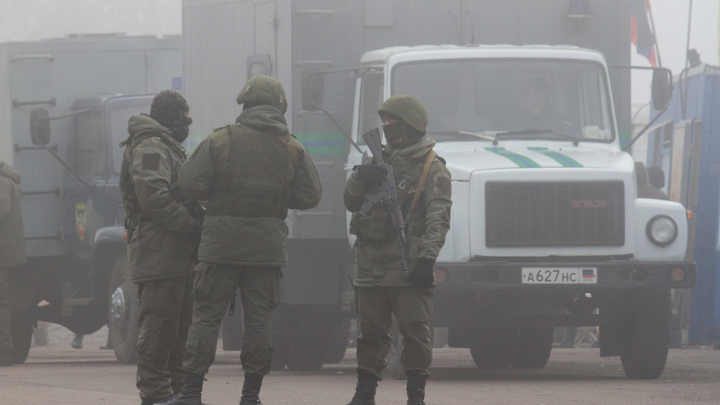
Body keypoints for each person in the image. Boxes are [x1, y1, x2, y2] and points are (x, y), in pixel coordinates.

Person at [167, 76, 322, 405]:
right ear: (279, 107)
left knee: (207, 317)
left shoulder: (221, 140)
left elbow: (190, 182)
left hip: (220, 246)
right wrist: (276, 198)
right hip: (266, 249)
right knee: (259, 321)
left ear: (246, 105)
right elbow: (311, 195)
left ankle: (191, 393)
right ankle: (250, 396)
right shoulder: (292, 146)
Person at [343, 95, 452, 405]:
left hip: (407, 265)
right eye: (384, 123)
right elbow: (351, 202)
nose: (386, 127)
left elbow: (438, 217)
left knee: (415, 334)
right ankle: (365, 394)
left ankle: (415, 395)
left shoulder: (433, 167)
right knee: (369, 336)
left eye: (392, 122)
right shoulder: (376, 161)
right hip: (370, 264)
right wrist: (359, 177)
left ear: (409, 126)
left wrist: (427, 258)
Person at [119, 90, 199, 405]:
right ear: (168, 117)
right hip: (158, 254)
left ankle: (177, 394)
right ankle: (155, 394)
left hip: (176, 255)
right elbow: (153, 197)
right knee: (158, 330)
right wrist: (192, 224)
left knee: (179, 330)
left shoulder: (168, 146)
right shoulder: (151, 147)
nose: (189, 120)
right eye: (183, 114)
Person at [0, 161, 27, 367]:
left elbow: (2, 210)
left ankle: (4, 350)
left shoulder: (1, 182)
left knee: (1, 305)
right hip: (6, 253)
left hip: (2, 254)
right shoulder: (7, 180)